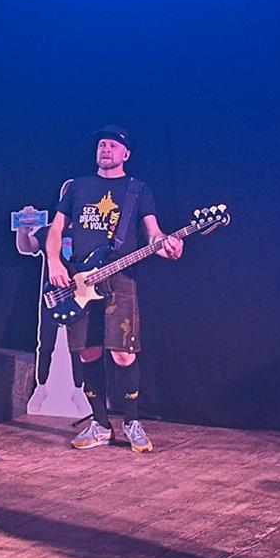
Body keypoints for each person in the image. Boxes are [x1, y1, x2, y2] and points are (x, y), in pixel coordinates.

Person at [45, 125, 183, 453]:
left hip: (120, 279)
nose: (105, 149)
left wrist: (167, 246)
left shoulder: (137, 190)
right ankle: (100, 425)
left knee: (123, 353)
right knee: (88, 351)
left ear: (126, 154)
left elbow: (153, 234)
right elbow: (56, 229)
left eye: (112, 145)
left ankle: (132, 422)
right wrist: (54, 263)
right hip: (80, 279)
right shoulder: (78, 187)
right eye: (101, 145)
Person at [14, 186, 84, 392]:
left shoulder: (88, 234)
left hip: (81, 295)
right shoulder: (51, 231)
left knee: (79, 345)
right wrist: (22, 231)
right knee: (46, 343)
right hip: (52, 295)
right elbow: (26, 247)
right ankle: (41, 386)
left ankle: (80, 389)